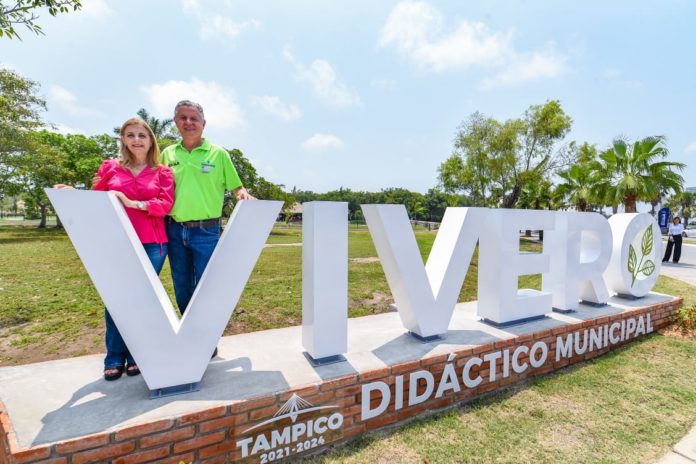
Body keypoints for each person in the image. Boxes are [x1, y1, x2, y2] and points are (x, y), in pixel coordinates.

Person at [58, 118, 174, 381]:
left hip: (152, 243)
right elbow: (97, 198)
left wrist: (134, 203)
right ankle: (114, 356)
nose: (136, 140)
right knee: (117, 299)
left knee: (141, 300)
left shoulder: (163, 172)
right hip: (117, 242)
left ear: (151, 140)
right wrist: (74, 193)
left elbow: (165, 205)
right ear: (123, 139)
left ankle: (136, 355)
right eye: (130, 135)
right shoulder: (110, 167)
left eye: (142, 135)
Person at [161, 101, 253, 355]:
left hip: (207, 231)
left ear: (203, 123)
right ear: (176, 122)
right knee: (181, 284)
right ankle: (190, 334)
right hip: (174, 229)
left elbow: (236, 186)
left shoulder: (218, 154)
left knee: (207, 286)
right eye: (182, 118)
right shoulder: (167, 154)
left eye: (194, 118)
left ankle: (205, 339)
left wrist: (243, 194)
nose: (188, 122)